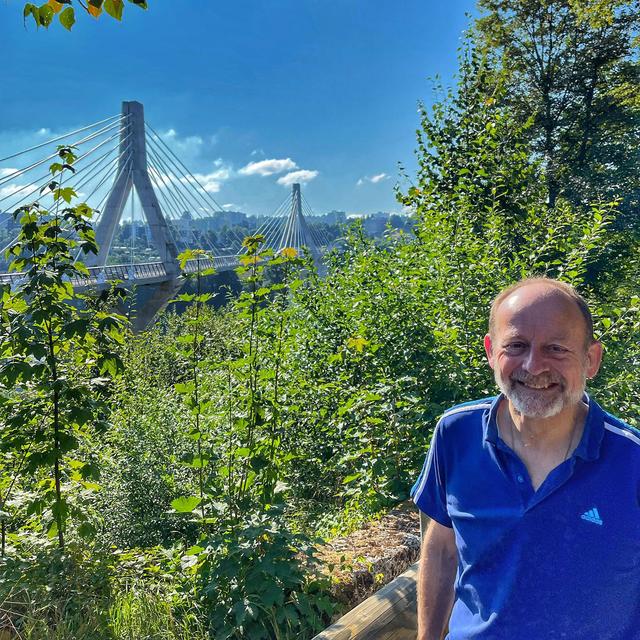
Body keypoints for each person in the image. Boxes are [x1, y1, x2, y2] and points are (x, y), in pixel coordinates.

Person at [411, 277, 640, 640]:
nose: (534, 366)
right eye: (516, 345)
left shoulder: (632, 460)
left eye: (556, 349)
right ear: (490, 351)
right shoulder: (456, 434)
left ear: (591, 359)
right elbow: (441, 548)